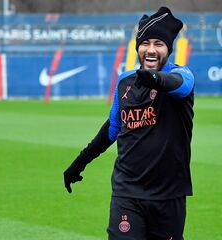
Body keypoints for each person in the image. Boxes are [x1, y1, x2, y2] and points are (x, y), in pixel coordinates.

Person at [63, 6, 194, 240]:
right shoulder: (126, 82)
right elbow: (112, 130)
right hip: (127, 193)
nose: (151, 50)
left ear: (168, 49)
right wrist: (79, 162)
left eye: (158, 44)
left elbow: (179, 84)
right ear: (137, 47)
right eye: (145, 43)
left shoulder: (183, 76)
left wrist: (153, 78)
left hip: (168, 195)